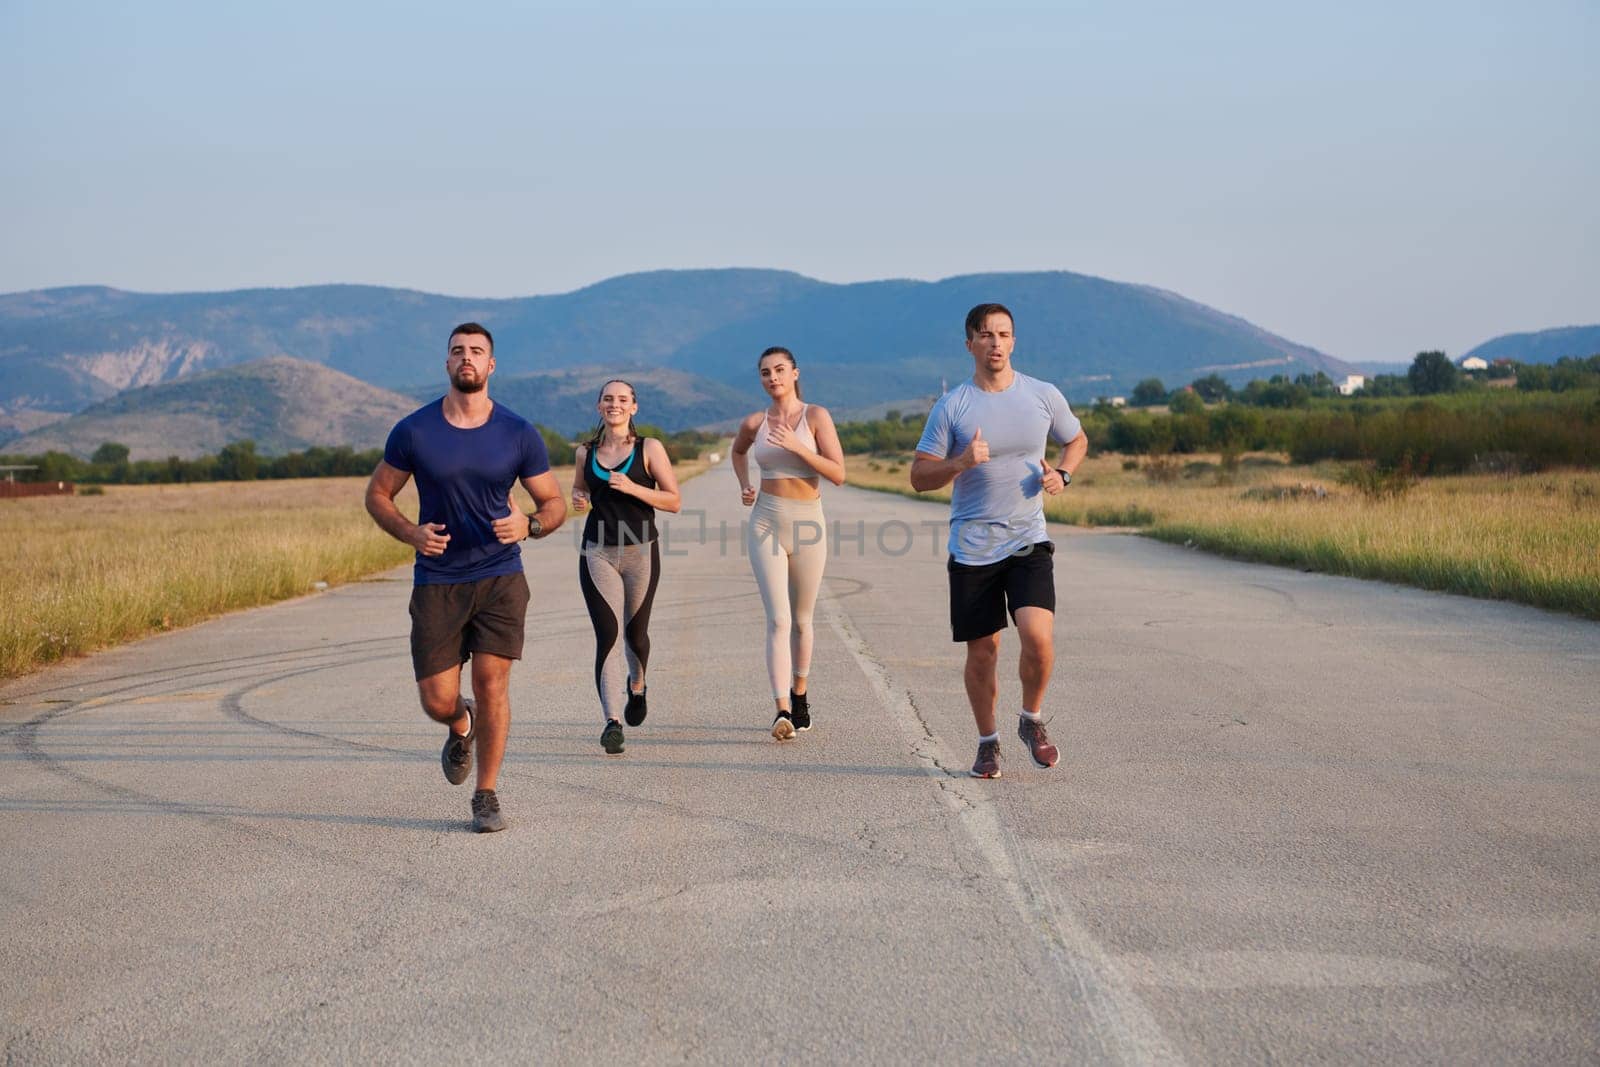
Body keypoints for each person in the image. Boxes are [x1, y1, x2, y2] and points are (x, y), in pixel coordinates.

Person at [364, 323, 566, 832]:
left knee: (493, 683)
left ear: (492, 365)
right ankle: (460, 721)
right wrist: (411, 533)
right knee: (436, 699)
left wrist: (531, 524)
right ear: (447, 364)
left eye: (477, 351)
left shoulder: (518, 432)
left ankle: (487, 794)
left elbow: (555, 502)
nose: (467, 359)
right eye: (458, 352)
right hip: (437, 579)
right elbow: (377, 495)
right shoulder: (415, 430)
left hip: (500, 576)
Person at [910, 303, 1088, 779]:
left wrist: (1064, 476)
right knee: (983, 650)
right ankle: (988, 743)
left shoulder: (1042, 395)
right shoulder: (953, 407)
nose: (995, 343)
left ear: (1014, 341)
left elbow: (1077, 439)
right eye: (985, 335)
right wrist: (960, 462)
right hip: (972, 547)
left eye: (1003, 334)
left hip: (1028, 539)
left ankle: (1031, 719)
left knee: (1038, 638)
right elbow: (919, 476)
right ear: (969, 343)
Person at [730, 347, 846, 740]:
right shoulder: (754, 421)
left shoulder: (816, 416)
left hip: (808, 521)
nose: (773, 378)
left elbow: (838, 473)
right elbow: (738, 450)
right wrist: (745, 484)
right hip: (766, 519)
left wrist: (798, 447)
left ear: (795, 373)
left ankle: (800, 695)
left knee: (801, 619)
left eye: (780, 370)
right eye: (765, 372)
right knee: (777, 619)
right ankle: (781, 709)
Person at [571, 379, 682, 756]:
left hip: (640, 552)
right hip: (597, 551)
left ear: (634, 407)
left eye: (622, 399)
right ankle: (612, 722)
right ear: (599, 406)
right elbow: (580, 489)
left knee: (636, 636)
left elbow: (673, 500)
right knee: (609, 635)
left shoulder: (649, 448)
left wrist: (633, 487)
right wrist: (580, 496)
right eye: (608, 399)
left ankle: (638, 685)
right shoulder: (585, 453)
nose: (614, 404)